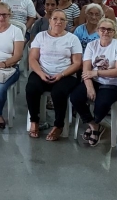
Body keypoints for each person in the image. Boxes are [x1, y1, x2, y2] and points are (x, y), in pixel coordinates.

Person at [70, 18, 117, 146]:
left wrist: (96, 72)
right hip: (94, 81)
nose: (105, 32)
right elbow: (86, 68)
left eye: (109, 29)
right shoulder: (92, 45)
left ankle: (95, 124)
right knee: (75, 97)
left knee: (101, 103)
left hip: (113, 84)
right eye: (102, 29)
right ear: (98, 30)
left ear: (114, 32)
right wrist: (89, 85)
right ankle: (93, 125)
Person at [26, 10, 83, 140]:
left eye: (62, 19)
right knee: (31, 88)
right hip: (42, 72)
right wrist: (40, 73)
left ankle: (58, 125)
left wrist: (61, 74)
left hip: (65, 74)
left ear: (66, 23)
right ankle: (34, 121)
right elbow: (33, 59)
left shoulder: (72, 39)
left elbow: (77, 63)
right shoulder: (41, 36)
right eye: (55, 18)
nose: (58, 22)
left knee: (59, 92)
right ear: (50, 21)